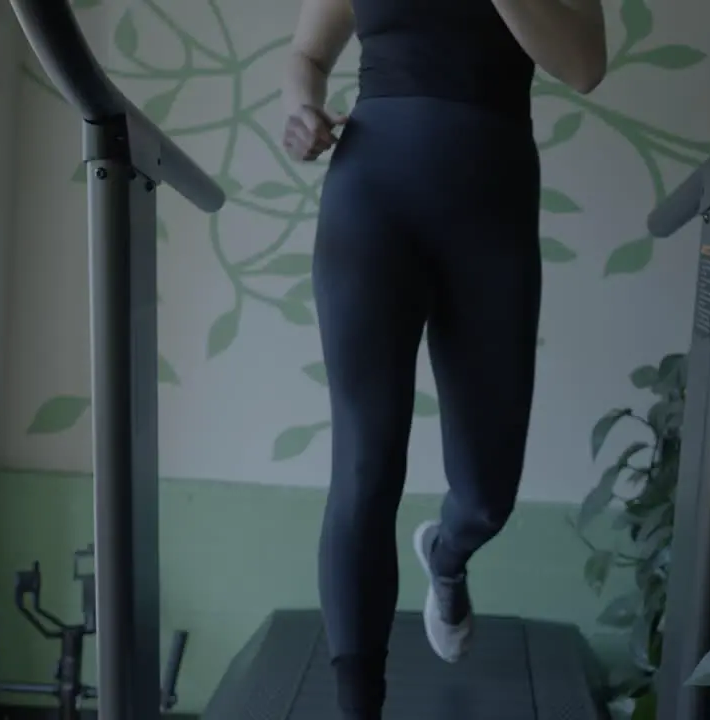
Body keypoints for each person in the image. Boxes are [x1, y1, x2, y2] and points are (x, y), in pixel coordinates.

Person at [281, 0, 606, 715]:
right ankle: (358, 701)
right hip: (371, 201)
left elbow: (585, 68)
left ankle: (449, 555)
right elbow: (307, 55)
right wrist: (302, 109)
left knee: (488, 494)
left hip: (491, 208)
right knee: (365, 466)